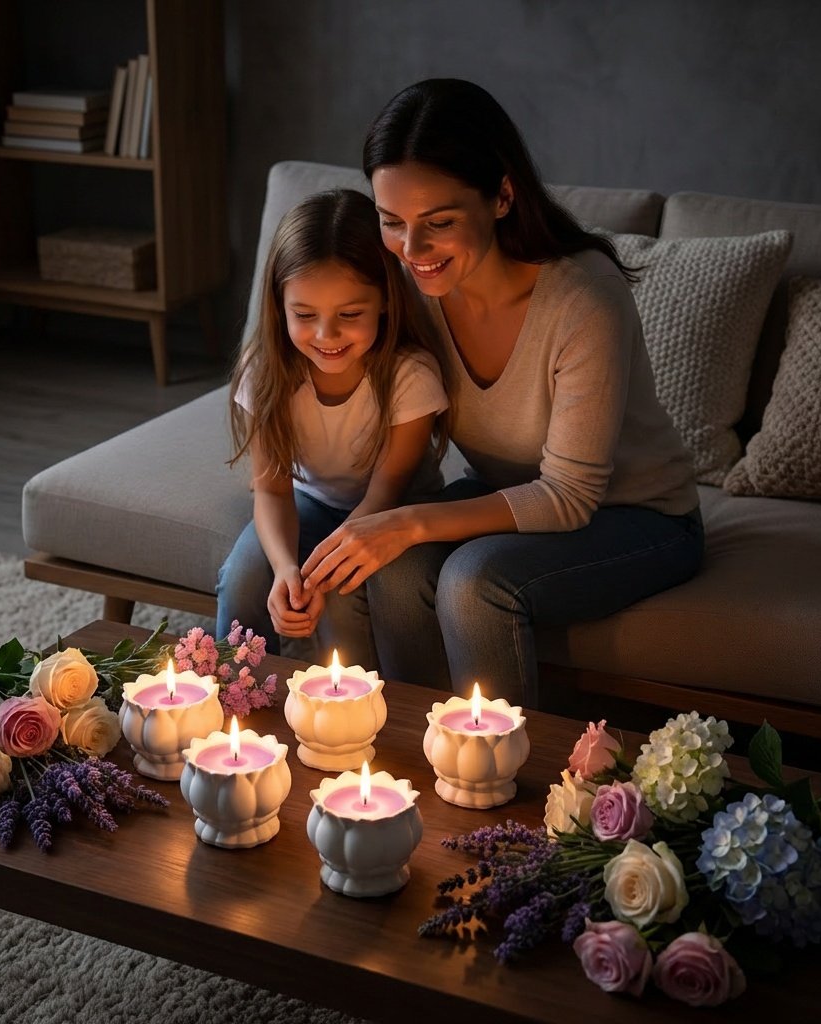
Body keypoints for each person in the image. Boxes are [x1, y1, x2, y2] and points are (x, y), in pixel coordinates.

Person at [300, 79, 703, 706]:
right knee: (392, 566)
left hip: (640, 515)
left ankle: (499, 783)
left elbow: (569, 497)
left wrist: (406, 520)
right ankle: (420, 762)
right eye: (392, 223)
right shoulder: (414, 287)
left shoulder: (583, 300)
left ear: (503, 196)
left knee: (471, 580)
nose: (412, 250)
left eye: (439, 223)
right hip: (507, 495)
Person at [216, 187, 449, 666]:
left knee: (342, 589)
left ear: (385, 301)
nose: (327, 336)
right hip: (312, 502)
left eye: (349, 315)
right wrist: (285, 569)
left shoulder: (411, 376)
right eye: (304, 315)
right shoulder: (265, 373)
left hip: (393, 511)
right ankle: (232, 699)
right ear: (279, 305)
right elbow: (273, 492)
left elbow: (386, 493)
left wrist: (321, 570)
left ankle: (355, 710)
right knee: (244, 578)